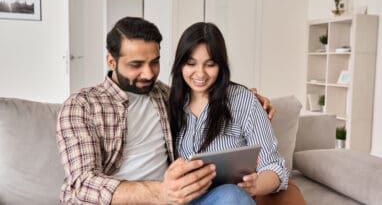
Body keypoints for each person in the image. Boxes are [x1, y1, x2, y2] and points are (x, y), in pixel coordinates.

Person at [56, 16, 274, 204]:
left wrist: (250, 97)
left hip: (175, 201)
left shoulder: (166, 95)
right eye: (136, 65)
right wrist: (161, 193)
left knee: (231, 196)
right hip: (139, 199)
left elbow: (206, 89)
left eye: (155, 62)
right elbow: (82, 184)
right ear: (111, 61)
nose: (149, 74)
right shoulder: (82, 106)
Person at [168, 22, 288, 201]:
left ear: (221, 66)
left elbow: (274, 165)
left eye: (210, 64)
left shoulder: (243, 101)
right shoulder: (168, 102)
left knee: (231, 194)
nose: (200, 74)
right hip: (182, 199)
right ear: (180, 65)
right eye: (191, 64)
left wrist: (256, 185)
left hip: (229, 198)